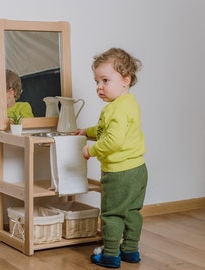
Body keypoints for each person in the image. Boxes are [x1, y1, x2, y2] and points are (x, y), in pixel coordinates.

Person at [75, 48, 148, 268]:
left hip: (119, 174)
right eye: (97, 81)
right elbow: (105, 130)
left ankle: (110, 254)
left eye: (105, 80)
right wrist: (87, 132)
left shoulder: (114, 109)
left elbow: (113, 140)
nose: (99, 86)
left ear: (126, 80)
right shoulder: (129, 103)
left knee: (112, 214)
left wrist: (91, 150)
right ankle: (130, 250)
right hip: (138, 170)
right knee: (133, 212)